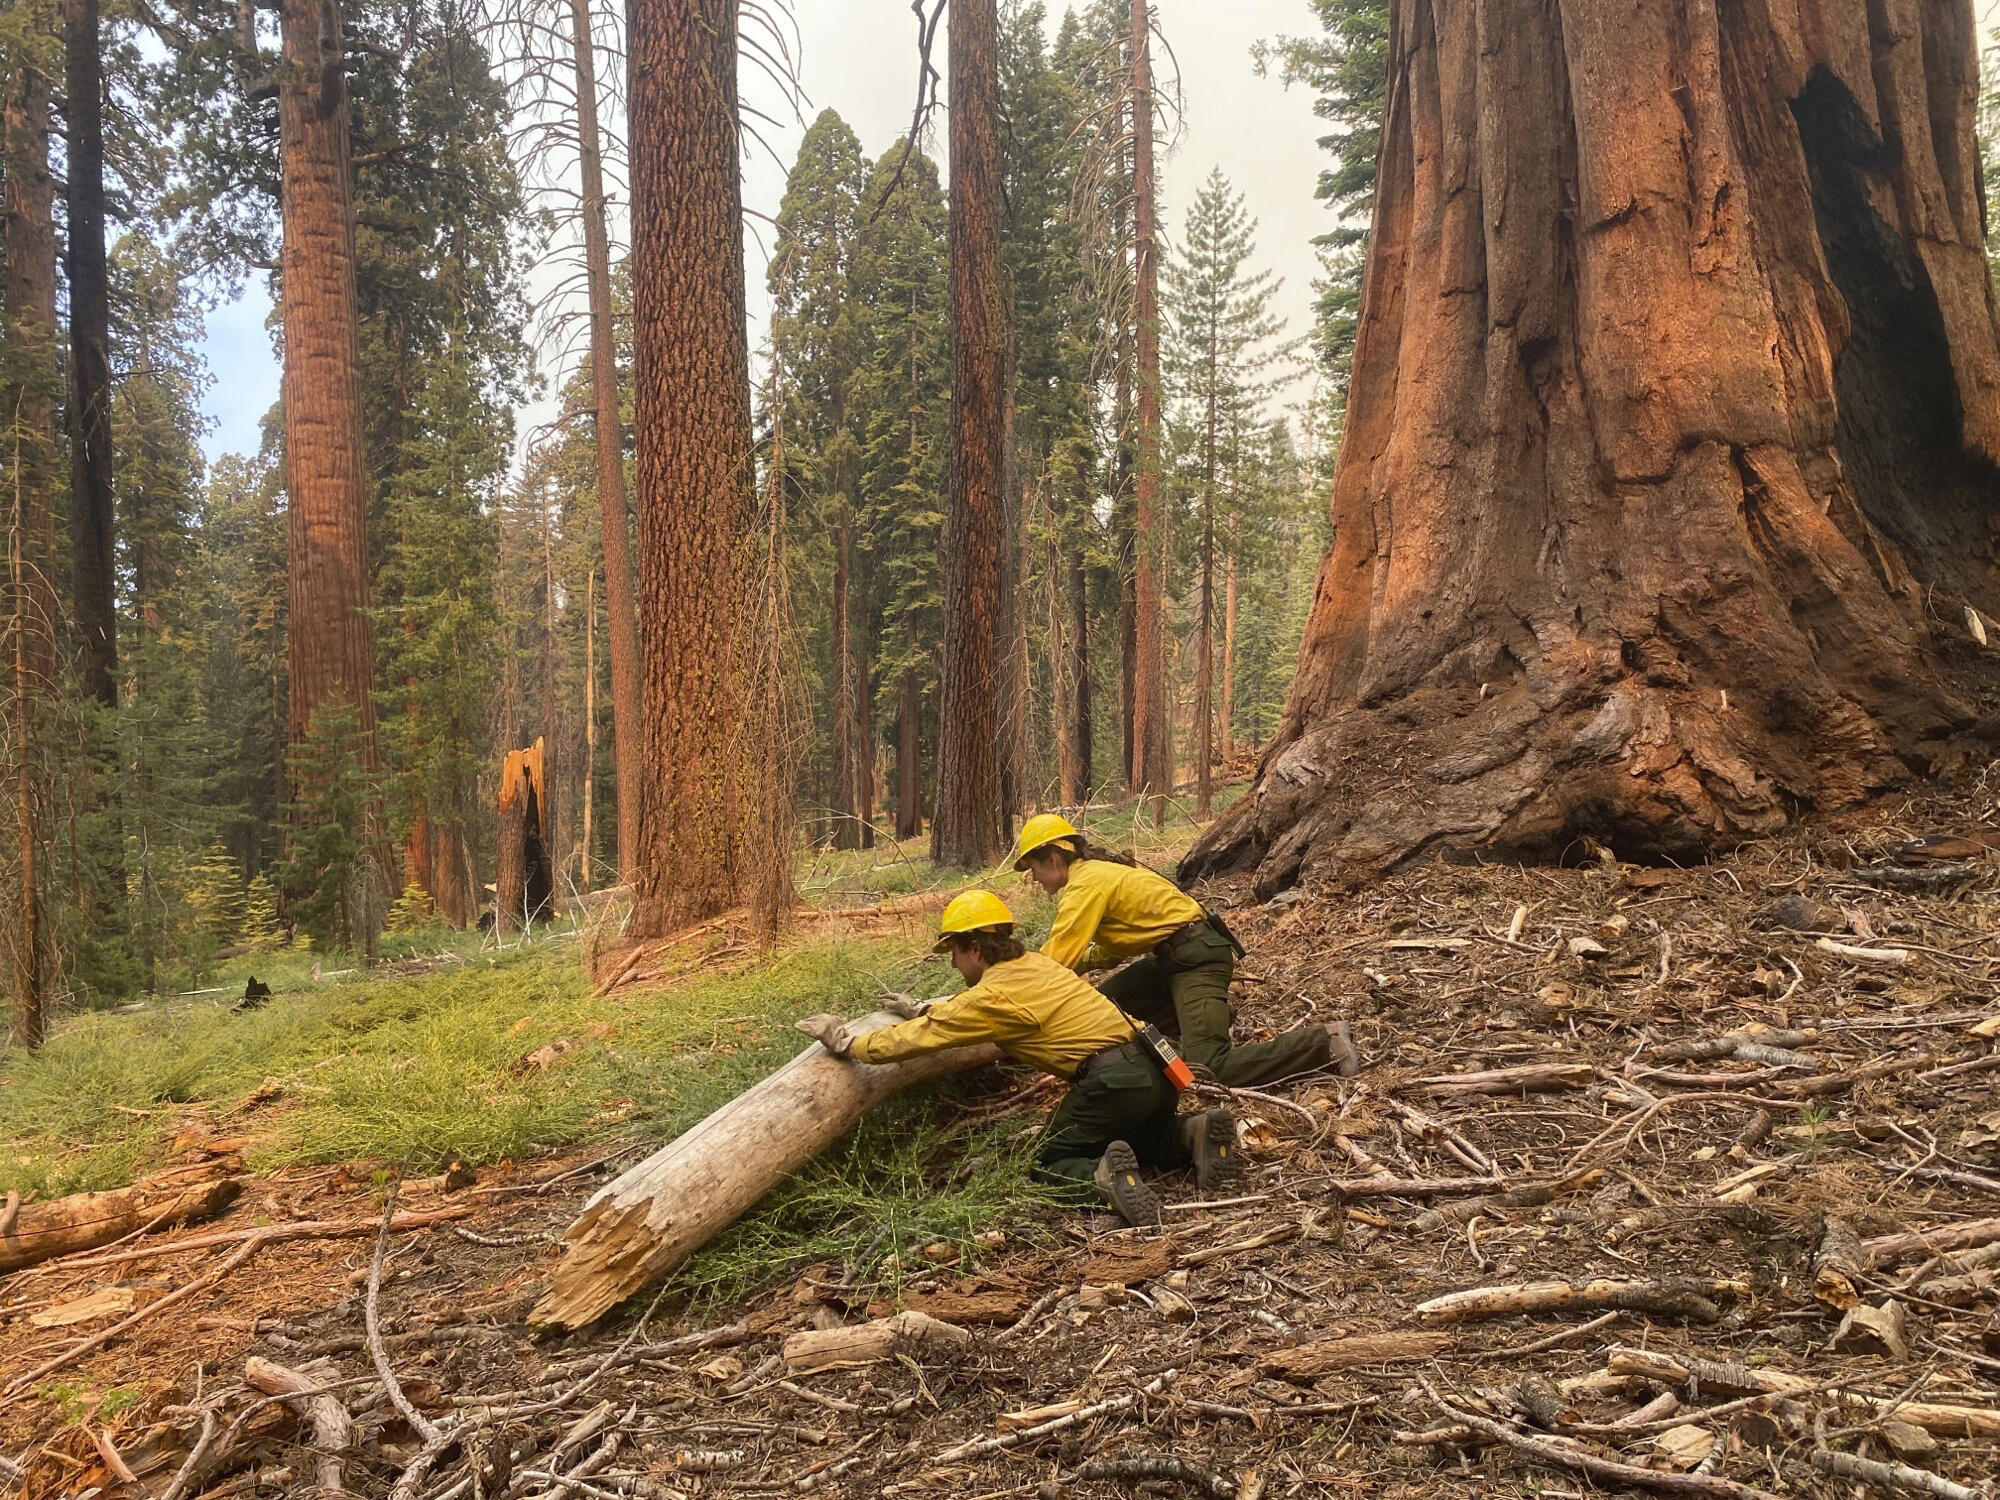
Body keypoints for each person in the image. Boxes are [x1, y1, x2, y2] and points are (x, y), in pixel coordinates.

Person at [793, 889, 1237, 1226]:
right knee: (1140, 1137)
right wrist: (928, 1008)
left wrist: (851, 1044)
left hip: (1111, 1082)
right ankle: (1189, 1134)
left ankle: (1099, 1182)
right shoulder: (1039, 966)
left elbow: (923, 1038)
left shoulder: (990, 995)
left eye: (952, 952)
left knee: (1047, 1162)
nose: (953, 965)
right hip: (1156, 1070)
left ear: (974, 948)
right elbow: (977, 1013)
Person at [1013, 813, 1360, 1088]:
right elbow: (1109, 951)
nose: (1035, 879)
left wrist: (1009, 995)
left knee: (1207, 1067)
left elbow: (1057, 959)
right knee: (1106, 1008)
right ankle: (1199, 1018)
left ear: (1055, 859)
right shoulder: (1097, 876)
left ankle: (1322, 1042)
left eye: (1033, 869)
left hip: (1198, 959)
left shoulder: (1084, 886)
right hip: (1175, 959)